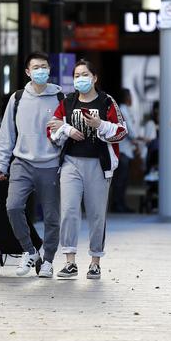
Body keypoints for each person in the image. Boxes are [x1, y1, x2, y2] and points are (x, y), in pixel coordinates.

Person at [48, 59, 127, 280]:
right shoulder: (67, 102)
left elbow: (122, 131)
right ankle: (70, 261)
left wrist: (100, 125)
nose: (80, 79)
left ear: (94, 78)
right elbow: (52, 127)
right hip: (71, 163)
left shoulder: (107, 102)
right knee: (69, 211)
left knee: (96, 214)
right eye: (76, 75)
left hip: (99, 165)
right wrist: (67, 129)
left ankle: (95, 262)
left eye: (84, 74)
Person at [0, 51, 63, 279]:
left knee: (52, 216)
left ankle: (49, 260)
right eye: (36, 67)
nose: (40, 71)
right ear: (27, 72)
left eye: (44, 67)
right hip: (21, 163)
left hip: (50, 164)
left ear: (49, 70)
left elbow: (68, 134)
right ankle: (30, 251)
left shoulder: (61, 98)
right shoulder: (17, 98)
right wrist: (2, 164)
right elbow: (7, 134)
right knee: (13, 207)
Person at [111, 88, 137, 213]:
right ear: (126, 98)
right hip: (123, 150)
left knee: (123, 179)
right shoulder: (122, 110)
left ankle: (121, 203)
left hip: (126, 149)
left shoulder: (125, 110)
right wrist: (137, 138)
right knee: (120, 179)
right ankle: (118, 204)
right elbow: (130, 130)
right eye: (130, 96)